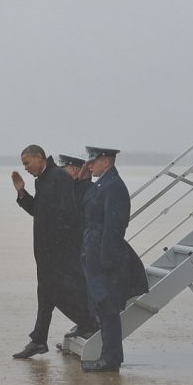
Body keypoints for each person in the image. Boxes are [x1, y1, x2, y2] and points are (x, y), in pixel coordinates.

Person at [10, 144, 99, 359]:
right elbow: (39, 213)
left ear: (40, 158)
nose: (26, 168)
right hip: (47, 254)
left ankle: (89, 322)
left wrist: (60, 248)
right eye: (24, 165)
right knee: (46, 294)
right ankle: (39, 340)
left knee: (57, 292)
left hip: (59, 253)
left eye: (27, 163)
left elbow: (70, 216)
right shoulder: (44, 180)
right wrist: (22, 192)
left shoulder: (58, 179)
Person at [77, 146, 149, 372]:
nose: (89, 165)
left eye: (93, 161)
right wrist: (81, 182)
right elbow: (84, 210)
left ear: (106, 161)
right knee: (100, 304)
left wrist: (105, 258)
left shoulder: (114, 186)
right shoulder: (100, 185)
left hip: (103, 252)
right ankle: (108, 356)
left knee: (107, 306)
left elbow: (115, 225)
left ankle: (112, 358)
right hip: (93, 248)